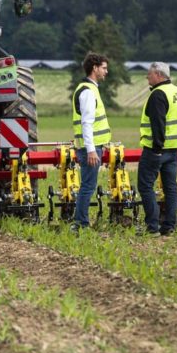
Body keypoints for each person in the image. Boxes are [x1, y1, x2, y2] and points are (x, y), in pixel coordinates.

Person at [138, 62, 177, 237]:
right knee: (170, 187)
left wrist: (157, 147)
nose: (147, 77)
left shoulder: (158, 94)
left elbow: (158, 123)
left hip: (156, 150)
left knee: (145, 186)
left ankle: (152, 227)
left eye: (149, 74)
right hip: (174, 149)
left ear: (159, 75)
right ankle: (169, 226)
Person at [70, 52, 112, 232]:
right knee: (87, 186)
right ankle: (80, 224)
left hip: (92, 147)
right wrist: (91, 150)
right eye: (104, 68)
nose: (106, 72)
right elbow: (87, 123)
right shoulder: (87, 91)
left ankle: (80, 223)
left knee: (87, 186)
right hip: (91, 148)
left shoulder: (89, 88)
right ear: (94, 68)